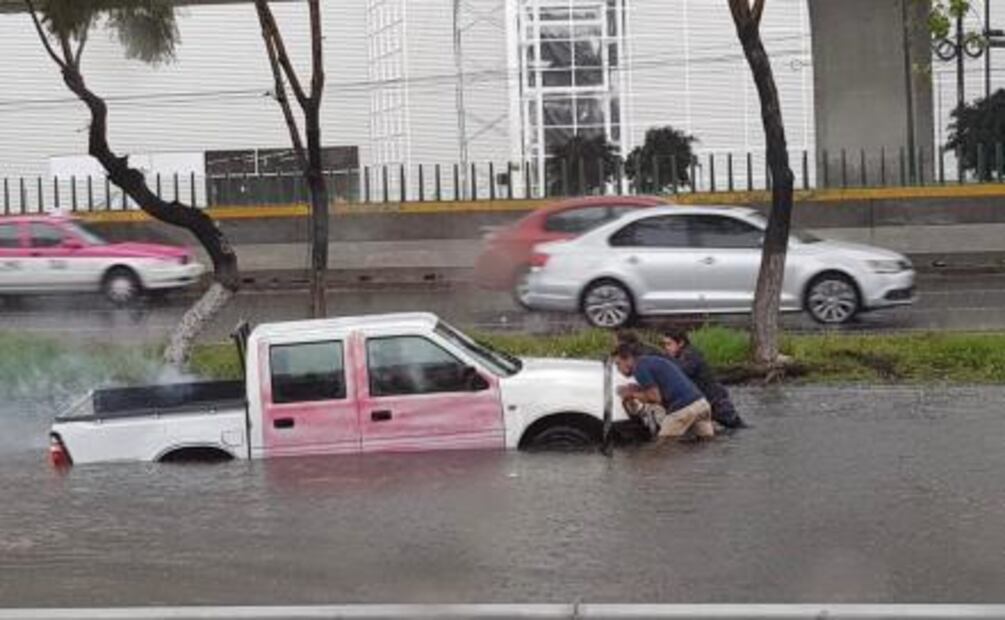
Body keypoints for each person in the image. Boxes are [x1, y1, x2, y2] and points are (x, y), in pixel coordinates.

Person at [612, 342, 714, 442]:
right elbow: (661, 387)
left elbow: (655, 398)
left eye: (618, 364)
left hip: (683, 409)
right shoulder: (649, 361)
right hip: (701, 405)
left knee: (661, 449)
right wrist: (638, 389)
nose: (618, 369)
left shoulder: (638, 368)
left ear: (628, 359)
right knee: (705, 444)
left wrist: (630, 394)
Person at [662, 328, 747, 430]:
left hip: (716, 401)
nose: (666, 348)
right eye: (665, 344)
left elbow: (680, 372)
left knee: (737, 429)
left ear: (680, 343)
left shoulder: (690, 355)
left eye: (669, 344)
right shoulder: (681, 356)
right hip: (705, 401)